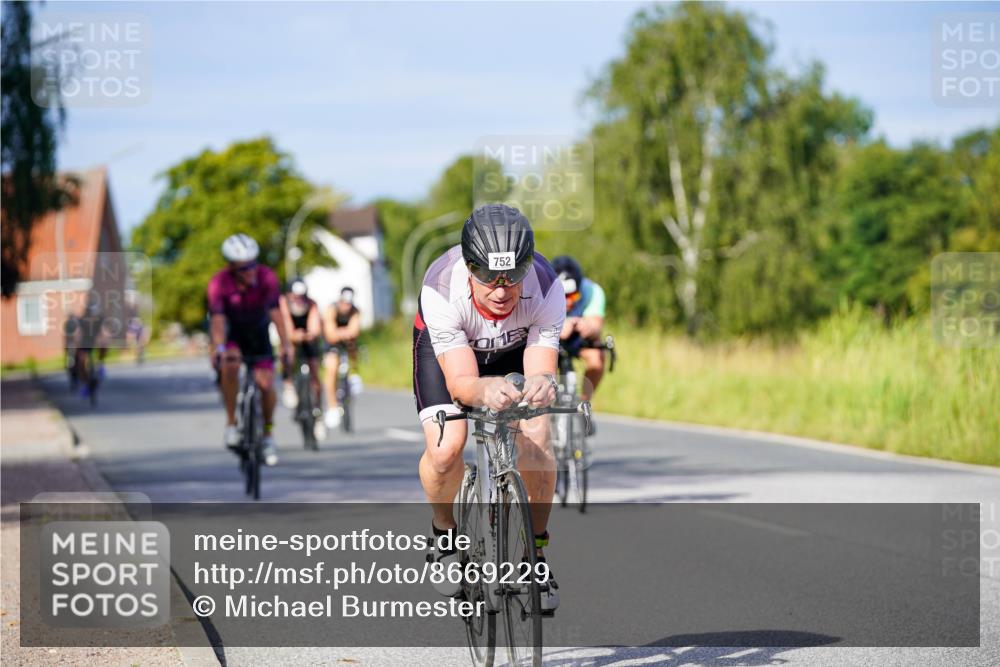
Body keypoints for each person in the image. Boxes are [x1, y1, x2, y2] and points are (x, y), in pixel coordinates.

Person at [413, 203, 564, 610]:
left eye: (513, 278)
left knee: (536, 436)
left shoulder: (548, 286)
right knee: (447, 449)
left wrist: (541, 386)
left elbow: (541, 368)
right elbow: (462, 384)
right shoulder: (441, 288)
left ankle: (535, 554)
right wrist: (483, 391)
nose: (501, 290)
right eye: (489, 278)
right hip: (453, 356)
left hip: (515, 348)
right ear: (469, 266)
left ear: (527, 267)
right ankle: (445, 535)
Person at [207, 233, 291, 466]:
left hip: (258, 331)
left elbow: (276, 314)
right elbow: (218, 320)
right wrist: (220, 348)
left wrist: (286, 345)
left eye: (253, 264)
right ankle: (232, 423)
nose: (250, 271)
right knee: (230, 364)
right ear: (232, 267)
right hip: (233, 331)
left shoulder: (267, 278)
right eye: (244, 268)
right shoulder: (219, 283)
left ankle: (268, 434)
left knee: (266, 384)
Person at [551, 255, 607, 404]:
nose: (568, 301)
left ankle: (584, 403)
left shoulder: (592, 291)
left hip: (577, 337)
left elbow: (596, 324)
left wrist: (588, 326)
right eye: (563, 296)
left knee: (597, 357)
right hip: (548, 335)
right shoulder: (540, 290)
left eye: (573, 295)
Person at [279, 278, 326, 438]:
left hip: (308, 339)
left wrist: (310, 333)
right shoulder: (283, 303)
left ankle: (318, 413)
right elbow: (285, 324)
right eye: (295, 295)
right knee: (288, 353)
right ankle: (289, 383)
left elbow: (315, 326)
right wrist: (293, 335)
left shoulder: (311, 304)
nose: (298, 299)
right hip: (291, 338)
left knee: (314, 369)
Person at [322, 286, 360, 429]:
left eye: (349, 304)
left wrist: (342, 333)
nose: (346, 307)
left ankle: (355, 375)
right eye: (344, 303)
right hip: (331, 345)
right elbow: (330, 334)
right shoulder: (331, 309)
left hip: (347, 344)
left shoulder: (355, 311)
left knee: (354, 349)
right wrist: (345, 332)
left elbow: (354, 331)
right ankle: (332, 407)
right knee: (332, 368)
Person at [74, 291, 109, 396]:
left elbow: (104, 331)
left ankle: (101, 364)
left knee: (104, 343)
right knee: (81, 361)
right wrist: (77, 344)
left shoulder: (100, 319)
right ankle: (85, 384)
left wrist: (104, 339)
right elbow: (77, 333)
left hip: (95, 341)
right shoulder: (82, 320)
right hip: (84, 343)